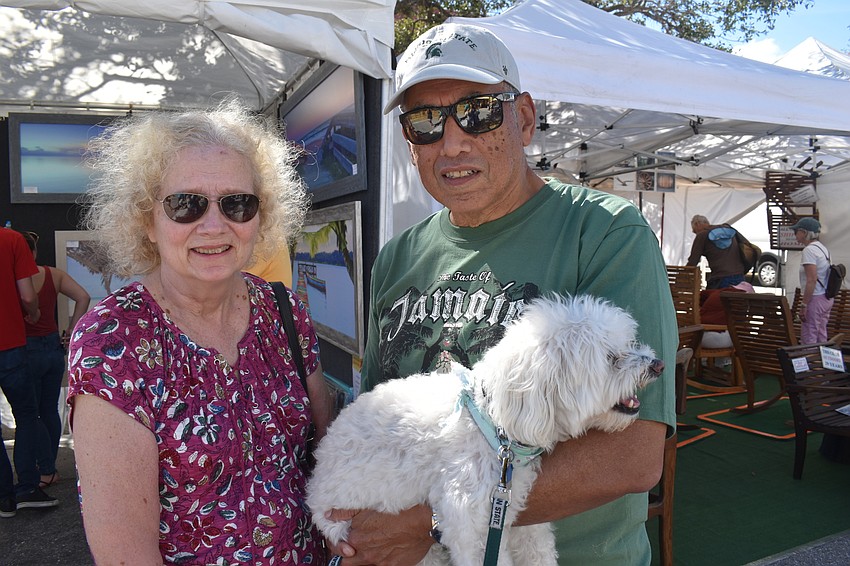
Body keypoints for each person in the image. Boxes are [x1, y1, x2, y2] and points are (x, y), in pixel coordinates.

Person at [326, 23, 677, 565]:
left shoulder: (604, 233)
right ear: (408, 141)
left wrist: (429, 522)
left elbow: (631, 457)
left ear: (526, 118)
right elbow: (383, 420)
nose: (453, 141)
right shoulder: (397, 258)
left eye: (480, 111)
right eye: (425, 121)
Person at [67, 98, 333, 564]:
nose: (214, 225)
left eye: (238, 203)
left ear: (260, 216)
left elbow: (328, 453)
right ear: (146, 221)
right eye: (185, 205)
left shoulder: (283, 310)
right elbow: (126, 555)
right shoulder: (112, 342)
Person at [20, 230, 90, 489]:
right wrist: (72, 331)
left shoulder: (13, 280)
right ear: (35, 251)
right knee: (49, 409)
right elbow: (82, 296)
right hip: (52, 348)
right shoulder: (53, 274)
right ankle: (49, 468)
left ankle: (41, 468)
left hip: (23, 350)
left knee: (29, 414)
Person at [1, 227, 59, 517]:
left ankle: (3, 497)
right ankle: (26, 487)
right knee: (27, 414)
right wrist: (34, 313)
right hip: (10, 343)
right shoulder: (12, 240)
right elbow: (27, 295)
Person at [792, 217, 833, 344]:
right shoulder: (822, 248)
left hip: (815, 299)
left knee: (809, 336)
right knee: (821, 334)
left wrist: (804, 305)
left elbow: (812, 279)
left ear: (804, 232)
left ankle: (810, 361)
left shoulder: (809, 250)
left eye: (796, 231)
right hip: (826, 297)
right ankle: (821, 362)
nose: (795, 235)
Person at [687, 214, 752, 289]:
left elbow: (693, 261)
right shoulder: (727, 229)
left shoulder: (702, 235)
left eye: (694, 231)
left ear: (697, 224)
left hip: (721, 278)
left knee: (709, 299)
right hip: (740, 276)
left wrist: (681, 276)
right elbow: (746, 245)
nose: (695, 233)